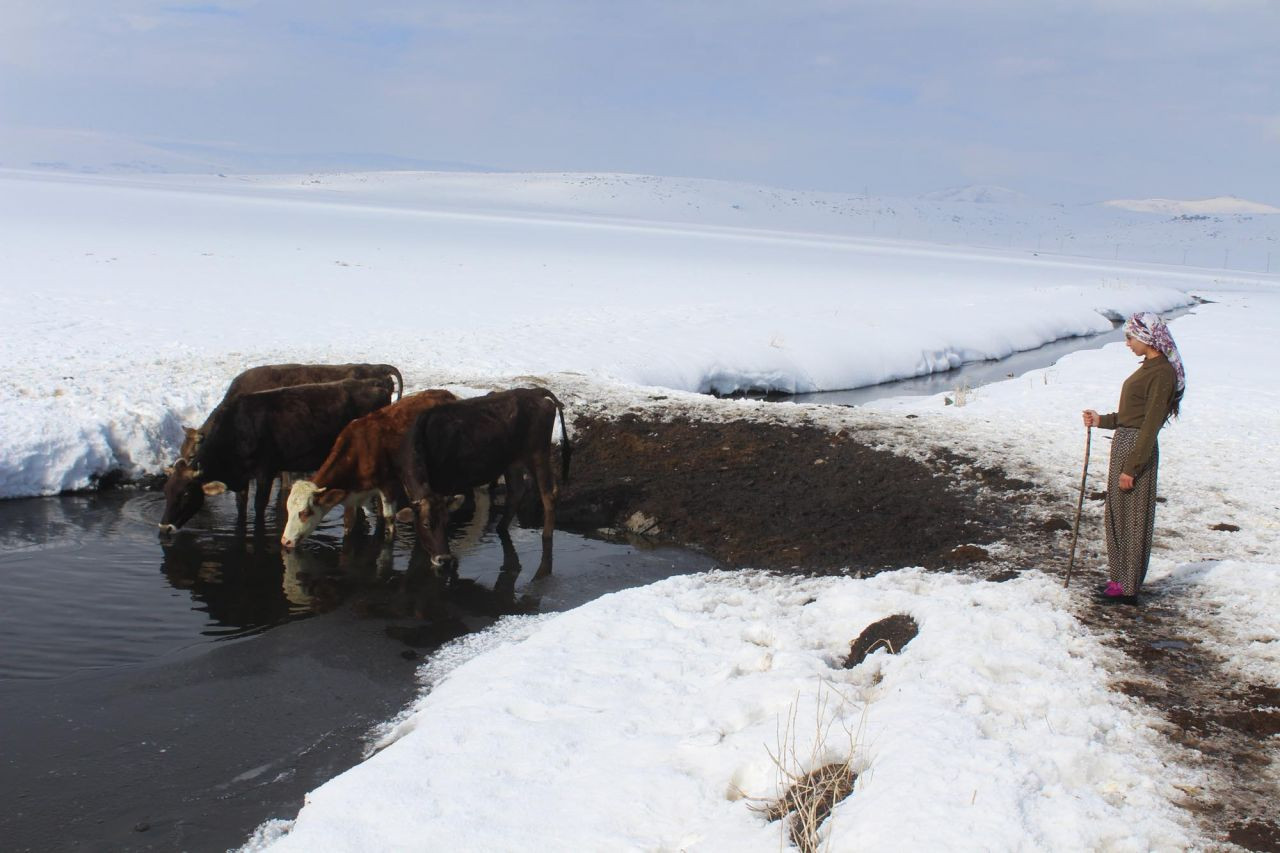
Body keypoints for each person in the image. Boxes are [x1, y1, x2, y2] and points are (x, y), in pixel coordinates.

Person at [1081, 312, 1186, 606]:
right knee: (1116, 515)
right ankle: (1118, 580)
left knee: (1134, 519)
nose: (1127, 343)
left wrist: (1132, 468)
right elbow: (1130, 417)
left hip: (1137, 450)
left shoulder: (1162, 373)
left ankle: (1128, 589)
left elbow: (1150, 424)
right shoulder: (1148, 367)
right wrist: (1101, 420)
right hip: (1125, 443)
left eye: (1130, 337)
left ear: (1147, 337)